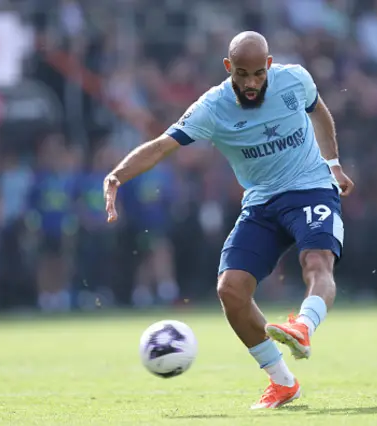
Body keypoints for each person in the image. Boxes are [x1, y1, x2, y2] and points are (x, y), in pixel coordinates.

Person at [103, 31, 354, 409]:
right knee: (230, 290)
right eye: (241, 74)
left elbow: (318, 110)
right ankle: (283, 382)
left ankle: (303, 325)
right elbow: (161, 145)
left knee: (317, 261)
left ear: (269, 66)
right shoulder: (213, 107)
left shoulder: (295, 80)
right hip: (262, 203)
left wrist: (333, 163)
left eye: (257, 74)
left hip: (311, 188)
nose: (251, 83)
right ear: (228, 68)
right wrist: (117, 176)